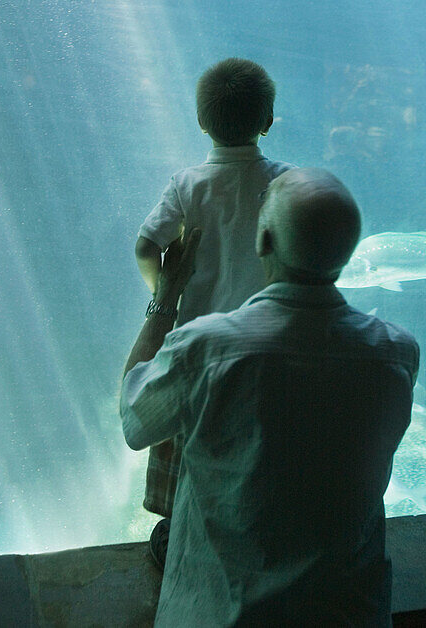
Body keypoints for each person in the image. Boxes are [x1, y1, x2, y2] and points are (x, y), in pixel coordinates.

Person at [121, 168, 419, 626]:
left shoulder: (206, 349)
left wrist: (166, 297)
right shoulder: (395, 355)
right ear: (347, 253)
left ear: (262, 240)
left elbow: (134, 420)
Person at [134, 58, 292, 564]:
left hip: (197, 347)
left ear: (201, 121)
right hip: (264, 340)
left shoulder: (187, 184)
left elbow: (144, 245)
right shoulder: (285, 181)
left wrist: (164, 292)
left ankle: (176, 534)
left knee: (186, 437)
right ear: (268, 121)